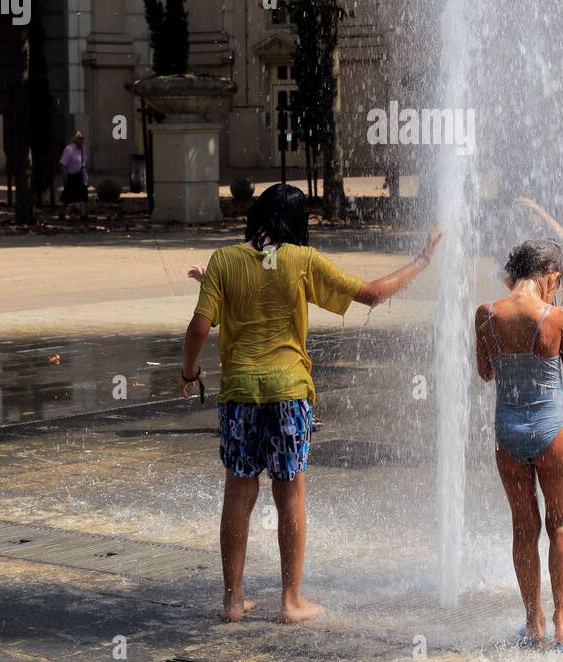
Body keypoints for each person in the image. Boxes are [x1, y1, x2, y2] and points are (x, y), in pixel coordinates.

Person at [180, 182, 441, 623]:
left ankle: (232, 600)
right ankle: (291, 601)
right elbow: (373, 294)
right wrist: (423, 259)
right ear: (298, 224)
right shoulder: (301, 261)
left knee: (238, 493)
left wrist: (188, 371)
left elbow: (199, 327)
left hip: (240, 393)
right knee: (291, 495)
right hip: (289, 392)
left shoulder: (224, 260)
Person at [475, 240, 563, 652]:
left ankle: (534, 623)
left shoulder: (486, 314)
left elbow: (485, 373)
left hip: (507, 434)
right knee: (561, 521)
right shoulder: (558, 318)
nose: (556, 289)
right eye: (557, 282)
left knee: (523, 528)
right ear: (551, 276)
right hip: (552, 433)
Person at [58, 131, 89, 218]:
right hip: (71, 175)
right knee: (66, 196)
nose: (81, 140)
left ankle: (83, 214)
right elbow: (63, 164)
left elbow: (84, 162)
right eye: (79, 138)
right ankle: (62, 213)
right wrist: (65, 176)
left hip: (81, 174)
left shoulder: (84, 148)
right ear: (74, 139)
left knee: (83, 195)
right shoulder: (69, 149)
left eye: (82, 138)